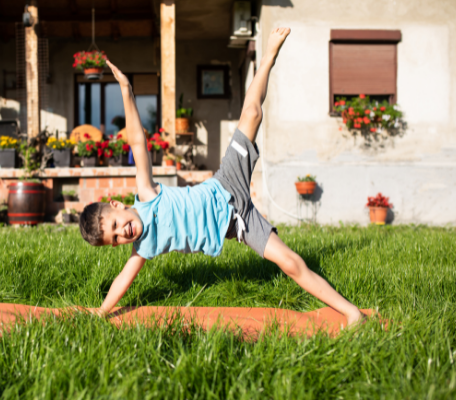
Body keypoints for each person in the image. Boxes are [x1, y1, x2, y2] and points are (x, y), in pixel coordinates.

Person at [79, 27, 365, 327]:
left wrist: (126, 90)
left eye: (114, 224)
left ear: (116, 204)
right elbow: (124, 278)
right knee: (290, 263)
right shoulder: (144, 247)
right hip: (238, 223)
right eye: (114, 240)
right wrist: (102, 310)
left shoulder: (147, 194)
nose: (121, 233)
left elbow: (137, 142)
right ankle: (352, 313)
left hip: (227, 182)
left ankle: (268, 56)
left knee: (252, 114)